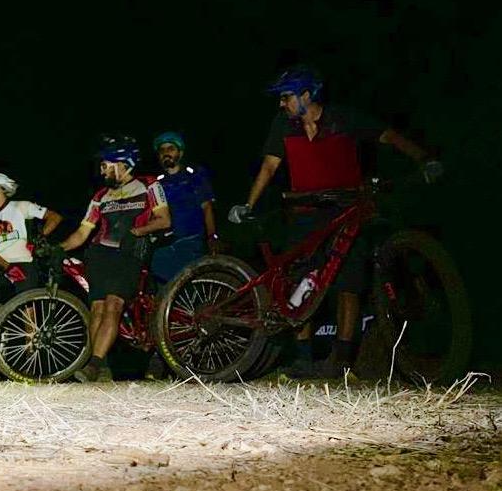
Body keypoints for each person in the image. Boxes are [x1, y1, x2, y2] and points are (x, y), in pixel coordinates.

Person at [227, 65, 444, 377]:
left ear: (306, 95)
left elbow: (389, 136)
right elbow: (269, 167)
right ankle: (303, 357)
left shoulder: (344, 118)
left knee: (349, 282)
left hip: (345, 209)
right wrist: (247, 204)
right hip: (304, 211)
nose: (281, 104)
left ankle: (341, 360)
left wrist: (425, 159)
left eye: (286, 97)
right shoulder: (283, 125)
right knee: (302, 279)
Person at [60, 137, 171, 382]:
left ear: (124, 164)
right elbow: (82, 233)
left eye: (106, 164)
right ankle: (97, 365)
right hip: (100, 254)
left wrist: (137, 232)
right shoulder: (101, 195)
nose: (102, 170)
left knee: (113, 305)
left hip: (130, 253)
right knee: (97, 309)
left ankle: (94, 364)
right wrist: (58, 248)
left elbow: (164, 219)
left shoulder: (148, 185)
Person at [146, 131, 220, 378]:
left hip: (191, 244)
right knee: (161, 302)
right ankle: (160, 357)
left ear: (180, 152)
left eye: (171, 148)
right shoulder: (155, 183)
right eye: (162, 150)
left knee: (192, 302)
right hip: (164, 248)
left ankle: (197, 360)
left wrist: (212, 238)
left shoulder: (194, 176)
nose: (167, 153)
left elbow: (207, 207)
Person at [0, 173, 63, 301]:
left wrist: (39, 237)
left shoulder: (21, 206)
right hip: (0, 265)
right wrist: (8, 267)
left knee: (26, 305)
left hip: (24, 263)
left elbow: (55, 217)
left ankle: (29, 320)